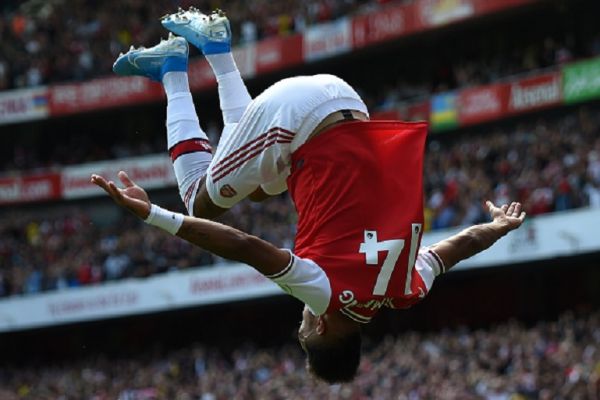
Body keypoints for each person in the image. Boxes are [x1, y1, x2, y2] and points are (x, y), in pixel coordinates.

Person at [98, 8, 527, 383]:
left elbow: (458, 246)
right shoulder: (322, 293)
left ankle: (211, 54)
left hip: (348, 105)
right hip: (297, 119)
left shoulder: (407, 288)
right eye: (303, 333)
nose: (301, 323)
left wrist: (498, 227)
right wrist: (153, 214)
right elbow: (245, 246)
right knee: (198, 199)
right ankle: (175, 69)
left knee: (264, 190)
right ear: (321, 329)